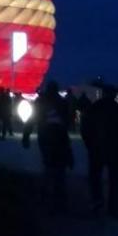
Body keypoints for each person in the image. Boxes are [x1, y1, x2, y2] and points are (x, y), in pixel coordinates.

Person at [22, 81, 74, 214]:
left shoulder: (41, 101)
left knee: (48, 164)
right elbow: (67, 119)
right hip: (59, 136)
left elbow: (32, 118)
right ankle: (59, 198)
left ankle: (46, 195)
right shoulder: (61, 102)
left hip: (45, 136)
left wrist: (26, 135)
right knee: (59, 167)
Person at [81, 85, 118, 217]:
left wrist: (89, 144)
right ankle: (113, 208)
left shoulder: (94, 108)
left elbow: (85, 127)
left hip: (96, 148)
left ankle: (97, 200)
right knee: (114, 180)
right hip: (115, 150)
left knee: (95, 176)